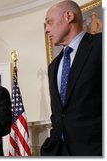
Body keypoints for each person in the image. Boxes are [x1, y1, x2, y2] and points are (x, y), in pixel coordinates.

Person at [42, 0, 102, 156]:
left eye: (49, 22)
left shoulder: (101, 45)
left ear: (68, 16)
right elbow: (58, 113)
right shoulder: (53, 66)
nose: (46, 30)